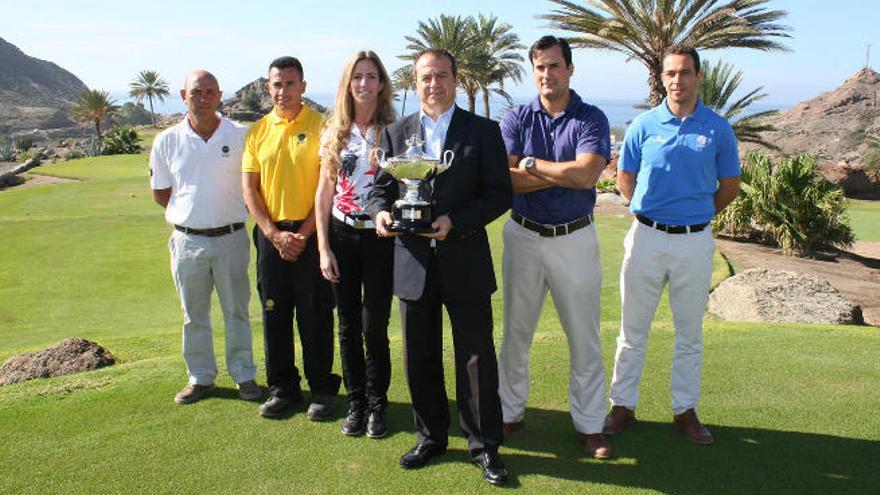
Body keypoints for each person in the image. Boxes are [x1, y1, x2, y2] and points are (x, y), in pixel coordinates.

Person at [368, 48, 512, 485]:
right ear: (416, 81)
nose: (435, 84)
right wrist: (380, 214)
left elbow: (499, 194)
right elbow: (379, 190)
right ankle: (430, 436)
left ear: (456, 78)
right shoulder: (396, 133)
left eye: (442, 76)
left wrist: (456, 221)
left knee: (475, 357)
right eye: (426, 77)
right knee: (420, 354)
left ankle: (484, 445)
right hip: (412, 263)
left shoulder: (483, 131)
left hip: (464, 258)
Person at [603, 44, 741, 445]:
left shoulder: (717, 128)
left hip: (694, 244)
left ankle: (685, 410)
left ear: (698, 76)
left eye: (684, 72)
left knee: (689, 334)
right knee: (632, 331)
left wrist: (695, 215)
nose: (677, 80)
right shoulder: (644, 126)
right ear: (662, 78)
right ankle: (622, 405)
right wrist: (647, 210)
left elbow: (728, 187)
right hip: (645, 238)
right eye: (670, 74)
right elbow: (624, 178)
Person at [497, 35, 613, 459]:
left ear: (570, 69)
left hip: (574, 238)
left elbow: (587, 177)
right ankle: (509, 414)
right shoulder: (515, 118)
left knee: (584, 338)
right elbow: (505, 178)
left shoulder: (591, 118)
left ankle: (589, 425)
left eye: (554, 66)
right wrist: (562, 172)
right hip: (523, 235)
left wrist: (530, 165)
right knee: (516, 334)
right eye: (540, 67)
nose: (547, 74)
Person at [149, 70, 259, 405]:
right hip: (187, 241)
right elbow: (161, 193)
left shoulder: (240, 135)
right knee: (193, 314)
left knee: (237, 311)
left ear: (219, 95)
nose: (204, 97)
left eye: (210, 92)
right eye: (197, 92)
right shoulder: (167, 140)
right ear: (184, 96)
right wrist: (193, 217)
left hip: (231, 236)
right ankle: (200, 377)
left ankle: (244, 375)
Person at [242, 56, 341, 420]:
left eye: (289, 83)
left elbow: (326, 187)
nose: (282, 90)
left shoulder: (322, 126)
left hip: (311, 230)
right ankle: (283, 389)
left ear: (303, 85)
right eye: (276, 84)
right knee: (275, 313)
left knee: (315, 312)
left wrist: (300, 234)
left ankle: (321, 388)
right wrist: (272, 233)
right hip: (270, 234)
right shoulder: (257, 132)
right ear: (268, 88)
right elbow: (249, 188)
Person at [315, 51, 396, 438]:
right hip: (342, 235)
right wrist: (323, 248)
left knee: (374, 325)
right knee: (347, 325)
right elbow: (324, 192)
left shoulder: (395, 131)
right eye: (357, 77)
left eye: (371, 76)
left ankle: (378, 406)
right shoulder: (335, 132)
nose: (363, 84)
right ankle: (356, 403)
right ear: (348, 84)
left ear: (381, 84)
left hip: (380, 238)